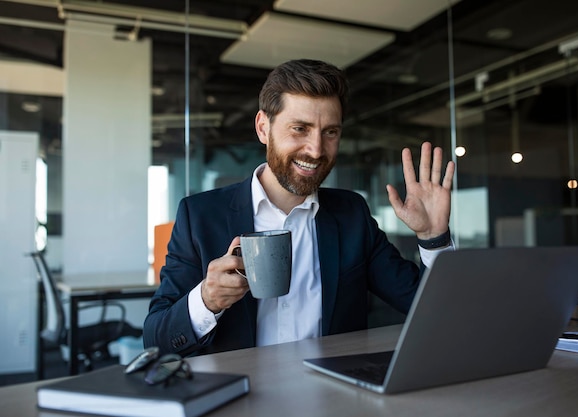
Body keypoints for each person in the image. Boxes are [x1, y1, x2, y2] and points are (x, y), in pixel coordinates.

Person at [143, 59, 455, 356]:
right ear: (263, 128)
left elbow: (432, 310)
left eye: (330, 132)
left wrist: (433, 237)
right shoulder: (199, 216)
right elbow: (156, 339)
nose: (316, 149)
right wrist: (206, 301)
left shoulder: (352, 215)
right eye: (300, 129)